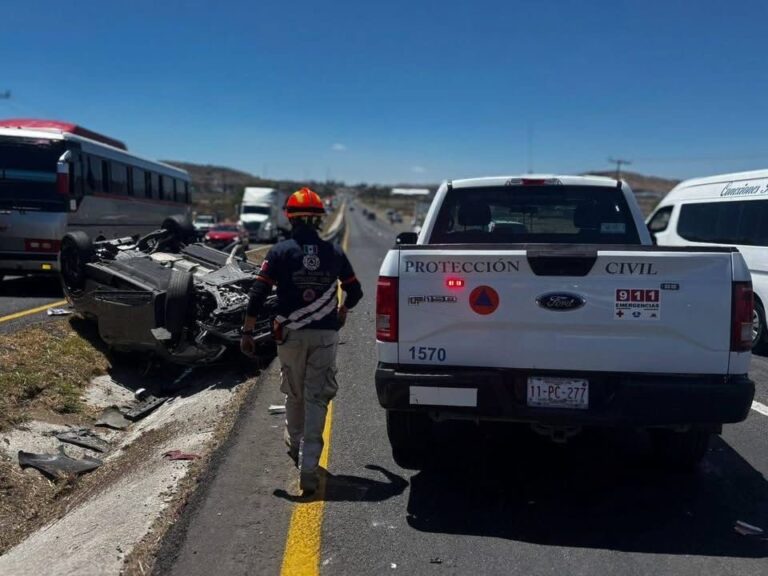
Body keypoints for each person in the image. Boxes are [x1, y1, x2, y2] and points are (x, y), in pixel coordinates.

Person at [241, 188, 363, 494]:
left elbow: (257, 294)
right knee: (316, 397)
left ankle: (296, 448)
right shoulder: (334, 253)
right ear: (320, 220)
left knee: (294, 393)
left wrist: (247, 332)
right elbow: (355, 290)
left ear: (290, 219)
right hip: (324, 336)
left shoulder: (280, 252)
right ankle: (309, 466)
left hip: (290, 337)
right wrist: (343, 309)